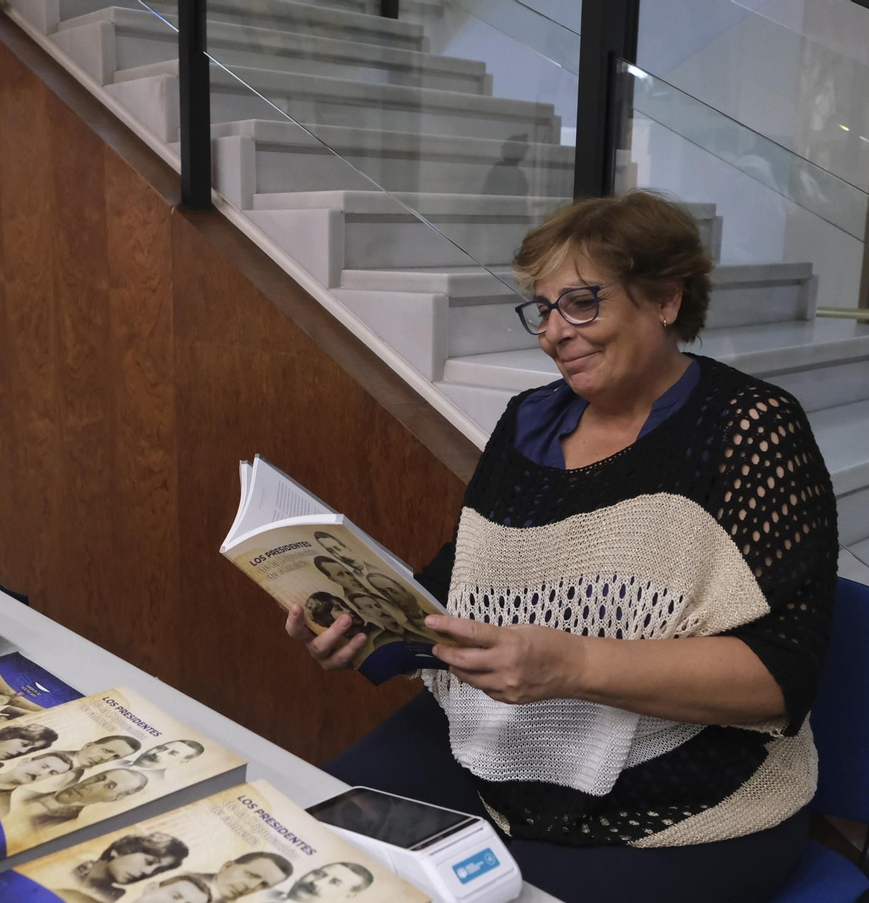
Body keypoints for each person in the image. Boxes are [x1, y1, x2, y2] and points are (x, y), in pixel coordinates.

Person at [285, 192, 836, 903]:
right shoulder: (528, 421)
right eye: (543, 310)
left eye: (580, 303)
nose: (553, 333)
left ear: (666, 299)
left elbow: (780, 678)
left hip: (685, 799)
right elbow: (457, 588)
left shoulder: (750, 430)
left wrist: (570, 664)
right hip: (495, 745)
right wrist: (362, 628)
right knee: (313, 850)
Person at [59, 831, 190, 902]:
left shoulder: (113, 896)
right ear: (122, 850)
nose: (148, 872)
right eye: (149, 862)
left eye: (158, 871)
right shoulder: (67, 863)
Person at [18, 767, 149, 830]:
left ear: (115, 799)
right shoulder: (27, 788)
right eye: (99, 778)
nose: (89, 786)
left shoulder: (67, 826)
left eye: (109, 786)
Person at [184, 851, 293, 901]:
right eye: (251, 875)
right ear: (227, 866)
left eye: (263, 885)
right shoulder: (178, 880)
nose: (251, 886)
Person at [275, 863, 372, 902]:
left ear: (347, 896)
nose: (317, 883)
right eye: (319, 874)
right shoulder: (265, 893)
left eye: (335, 882)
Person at [129, 739, 205, 772]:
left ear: (181, 762)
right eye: (161, 748)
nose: (157, 753)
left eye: (173, 753)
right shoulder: (122, 760)